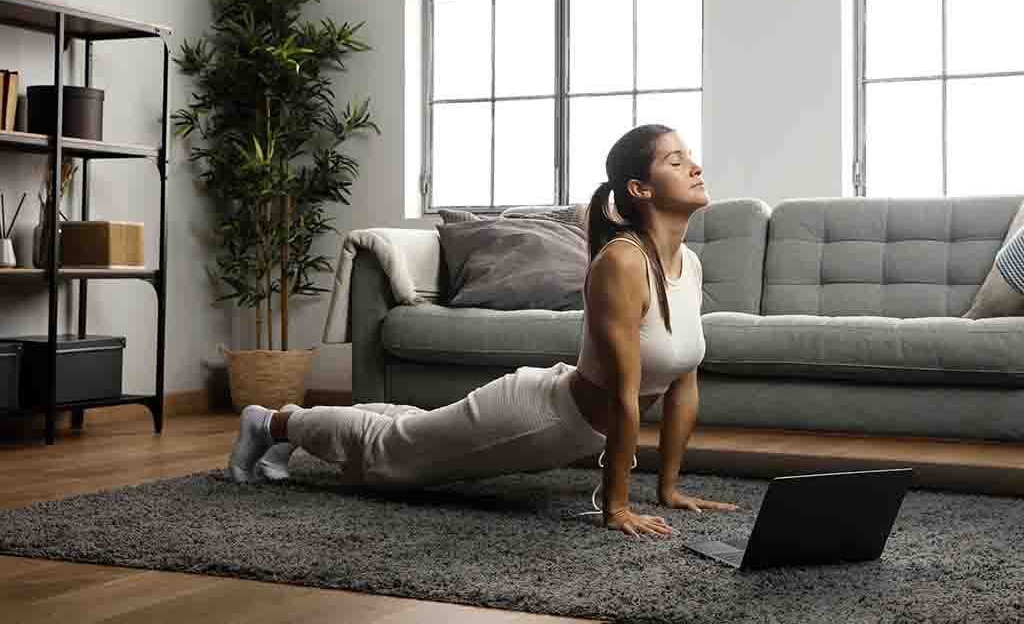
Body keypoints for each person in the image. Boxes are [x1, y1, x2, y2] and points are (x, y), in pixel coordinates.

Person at [227, 123, 741, 539]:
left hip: (569, 422)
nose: (695, 166)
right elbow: (626, 394)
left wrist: (669, 489)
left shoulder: (687, 265)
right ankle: (273, 423)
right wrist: (616, 507)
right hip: (542, 417)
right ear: (640, 189)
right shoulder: (623, 263)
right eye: (675, 161)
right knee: (393, 454)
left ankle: (294, 425)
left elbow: (682, 385)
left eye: (689, 155)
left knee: (417, 427)